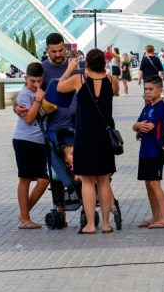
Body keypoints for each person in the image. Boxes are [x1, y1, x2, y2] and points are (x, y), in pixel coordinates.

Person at [57, 49, 120, 234]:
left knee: (87, 181)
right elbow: (114, 93)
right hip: (104, 135)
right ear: (103, 62)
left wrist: (70, 69)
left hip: (84, 135)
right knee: (104, 181)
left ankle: (91, 224)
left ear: (88, 63)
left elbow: (59, 87)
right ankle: (107, 224)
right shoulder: (111, 80)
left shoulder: (80, 80)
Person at [41, 33, 80, 228]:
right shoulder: (43, 70)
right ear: (47, 50)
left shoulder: (76, 67)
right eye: (53, 51)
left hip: (77, 124)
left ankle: (87, 204)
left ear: (65, 48)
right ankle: (60, 209)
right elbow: (34, 92)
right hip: (55, 127)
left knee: (81, 166)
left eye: (60, 50)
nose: (58, 54)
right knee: (56, 170)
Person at [11, 62, 50, 229]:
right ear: (26, 78)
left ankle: (24, 214)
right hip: (24, 140)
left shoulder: (40, 90)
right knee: (25, 178)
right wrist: (38, 100)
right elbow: (29, 119)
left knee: (43, 180)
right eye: (33, 81)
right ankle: (25, 219)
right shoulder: (25, 95)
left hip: (38, 141)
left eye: (39, 81)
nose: (36, 85)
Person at [134, 75, 164, 228]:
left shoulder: (161, 106)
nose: (147, 92)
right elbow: (136, 124)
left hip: (155, 150)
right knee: (148, 185)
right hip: (144, 151)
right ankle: (155, 216)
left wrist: (138, 126)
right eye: (146, 89)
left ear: (160, 91)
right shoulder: (147, 106)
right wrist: (137, 126)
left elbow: (149, 126)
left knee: (155, 184)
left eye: (150, 89)